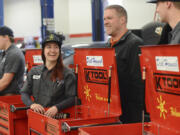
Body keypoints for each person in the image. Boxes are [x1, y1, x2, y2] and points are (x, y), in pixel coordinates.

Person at [104, 5, 145, 123]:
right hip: (112, 111)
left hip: (129, 115)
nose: (106, 22)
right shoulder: (108, 45)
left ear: (122, 20)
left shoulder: (134, 44)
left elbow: (138, 85)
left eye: (109, 18)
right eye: (104, 19)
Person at [21, 33, 77, 118]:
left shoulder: (67, 74)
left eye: (56, 47)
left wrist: (57, 108)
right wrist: (32, 105)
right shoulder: (34, 71)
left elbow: (72, 98)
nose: (52, 50)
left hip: (57, 119)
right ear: (43, 51)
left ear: (59, 50)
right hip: (37, 117)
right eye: (49, 47)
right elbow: (24, 93)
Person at [0, 26, 25, 96]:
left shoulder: (14, 54)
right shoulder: (4, 53)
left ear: (6, 37)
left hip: (10, 98)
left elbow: (5, 82)